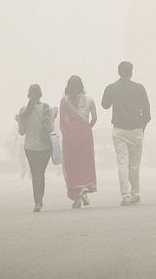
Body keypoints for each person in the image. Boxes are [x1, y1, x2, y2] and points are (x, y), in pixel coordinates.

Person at [101, 60, 151, 206]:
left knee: (122, 163)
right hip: (136, 129)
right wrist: (142, 128)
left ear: (118, 72)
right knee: (134, 164)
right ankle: (135, 193)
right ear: (131, 72)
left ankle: (126, 195)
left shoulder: (112, 88)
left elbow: (105, 105)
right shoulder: (139, 88)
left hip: (119, 130)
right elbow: (147, 111)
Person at [15, 84, 55, 211]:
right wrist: (54, 116)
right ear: (41, 94)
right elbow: (50, 129)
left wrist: (19, 121)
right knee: (41, 173)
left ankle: (37, 202)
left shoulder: (23, 111)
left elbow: (22, 132)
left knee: (35, 174)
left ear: (28, 94)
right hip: (45, 147)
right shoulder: (47, 108)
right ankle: (40, 200)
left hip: (30, 148)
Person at [59, 75, 98, 209]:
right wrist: (87, 129)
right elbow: (94, 118)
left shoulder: (64, 101)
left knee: (72, 166)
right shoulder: (90, 99)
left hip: (71, 137)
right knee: (85, 163)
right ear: (81, 85)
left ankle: (77, 195)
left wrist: (68, 134)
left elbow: (62, 123)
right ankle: (84, 190)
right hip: (86, 136)